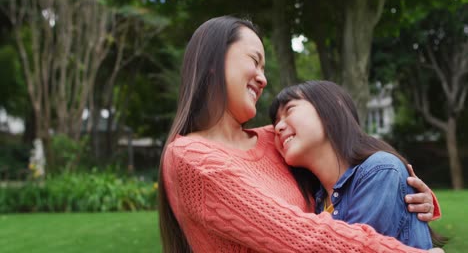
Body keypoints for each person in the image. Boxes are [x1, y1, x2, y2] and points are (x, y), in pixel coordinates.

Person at [158, 15, 442, 252]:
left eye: (264, 68)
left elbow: (345, 164)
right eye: (254, 61)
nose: (263, 78)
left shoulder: (275, 141)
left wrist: (405, 192)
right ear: (212, 62)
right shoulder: (193, 158)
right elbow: (302, 237)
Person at [270, 80, 445, 249]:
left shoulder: (380, 170)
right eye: (275, 122)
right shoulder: (317, 199)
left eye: (289, 110)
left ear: (332, 110)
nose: (277, 128)